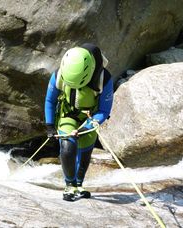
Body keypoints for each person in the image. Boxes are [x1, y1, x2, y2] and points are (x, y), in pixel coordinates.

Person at [44, 43, 113, 201]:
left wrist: (86, 128)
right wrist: (49, 126)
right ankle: (70, 185)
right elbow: (50, 100)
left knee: (84, 153)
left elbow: (104, 110)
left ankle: (79, 184)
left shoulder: (104, 79)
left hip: (90, 118)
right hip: (68, 114)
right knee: (68, 145)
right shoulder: (60, 74)